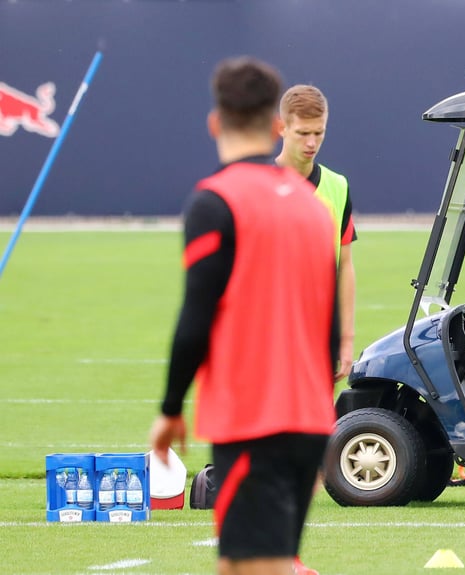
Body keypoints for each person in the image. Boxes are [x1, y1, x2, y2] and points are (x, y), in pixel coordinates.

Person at [149, 57, 340, 575]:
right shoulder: (312, 205)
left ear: (215, 122)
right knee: (244, 565)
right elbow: (329, 324)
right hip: (307, 419)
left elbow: (196, 315)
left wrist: (170, 408)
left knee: (259, 568)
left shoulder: (216, 201)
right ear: (277, 126)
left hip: (253, 420)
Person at [276, 84, 357, 381]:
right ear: (281, 128)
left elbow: (345, 265)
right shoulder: (259, 186)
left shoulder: (338, 186)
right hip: (268, 337)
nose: (311, 142)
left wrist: (345, 339)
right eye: (303, 133)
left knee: (318, 427)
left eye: (319, 133)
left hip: (320, 337)